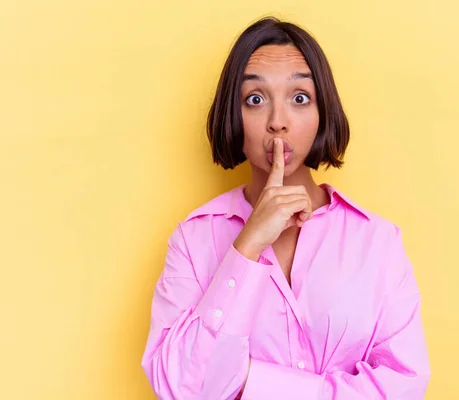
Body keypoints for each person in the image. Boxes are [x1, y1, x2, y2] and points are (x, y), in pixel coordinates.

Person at [141, 16, 430, 400]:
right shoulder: (193, 240)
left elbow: (403, 388)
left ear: (322, 111)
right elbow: (181, 389)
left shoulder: (377, 241)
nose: (278, 123)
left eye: (299, 98)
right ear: (233, 114)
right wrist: (246, 248)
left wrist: (253, 382)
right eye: (255, 100)